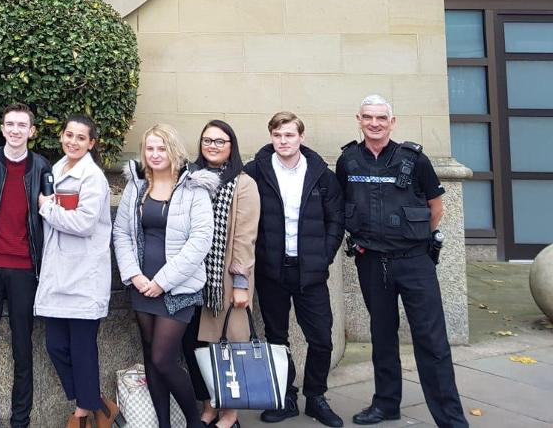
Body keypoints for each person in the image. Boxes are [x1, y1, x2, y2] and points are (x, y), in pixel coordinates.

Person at [336, 95, 467, 428]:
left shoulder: (415, 159)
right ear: (359, 119)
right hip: (370, 261)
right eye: (368, 117)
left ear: (392, 122)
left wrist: (416, 239)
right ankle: (386, 404)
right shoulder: (348, 160)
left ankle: (451, 419)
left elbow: (436, 207)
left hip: (414, 262)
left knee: (431, 340)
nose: (375, 123)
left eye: (382, 117)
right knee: (381, 335)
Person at [113, 124, 218, 428]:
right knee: (150, 358)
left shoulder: (194, 188)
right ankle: (163, 424)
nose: (155, 154)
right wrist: (134, 275)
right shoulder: (136, 185)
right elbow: (121, 232)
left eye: (162, 148)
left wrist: (163, 281)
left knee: (163, 359)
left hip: (178, 287)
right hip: (142, 285)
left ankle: (194, 423)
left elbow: (200, 240)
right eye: (150, 148)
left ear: (174, 151)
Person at [244, 112, 345, 427]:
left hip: (310, 272)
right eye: (277, 135)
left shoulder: (320, 173)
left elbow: (336, 219)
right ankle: (285, 397)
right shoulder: (255, 172)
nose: (283, 141)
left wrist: (324, 256)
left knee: (321, 338)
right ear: (271, 137)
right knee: (276, 337)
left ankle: (315, 397)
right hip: (272, 271)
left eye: (289, 135)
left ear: (301, 136)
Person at [35, 114, 120, 428]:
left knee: (82, 348)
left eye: (81, 138)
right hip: (57, 275)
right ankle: (99, 403)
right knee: (55, 345)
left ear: (91, 143)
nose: (73, 141)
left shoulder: (92, 177)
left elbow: (84, 224)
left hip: (84, 276)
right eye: (69, 135)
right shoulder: (55, 170)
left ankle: (83, 413)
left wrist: (47, 207)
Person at [0, 103, 53, 428]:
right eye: (10, 124)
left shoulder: (42, 167)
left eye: (23, 125)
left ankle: (21, 419)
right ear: (3, 127)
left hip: (25, 269)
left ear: (32, 131)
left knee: (23, 349)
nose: (16, 130)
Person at [182, 119, 260, 428]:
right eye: (207, 140)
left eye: (219, 141)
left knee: (228, 352)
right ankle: (208, 406)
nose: (212, 146)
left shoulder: (243, 183)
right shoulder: (188, 179)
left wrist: (240, 284)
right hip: (191, 281)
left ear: (232, 147)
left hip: (225, 283)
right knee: (194, 347)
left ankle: (230, 414)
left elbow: (245, 236)